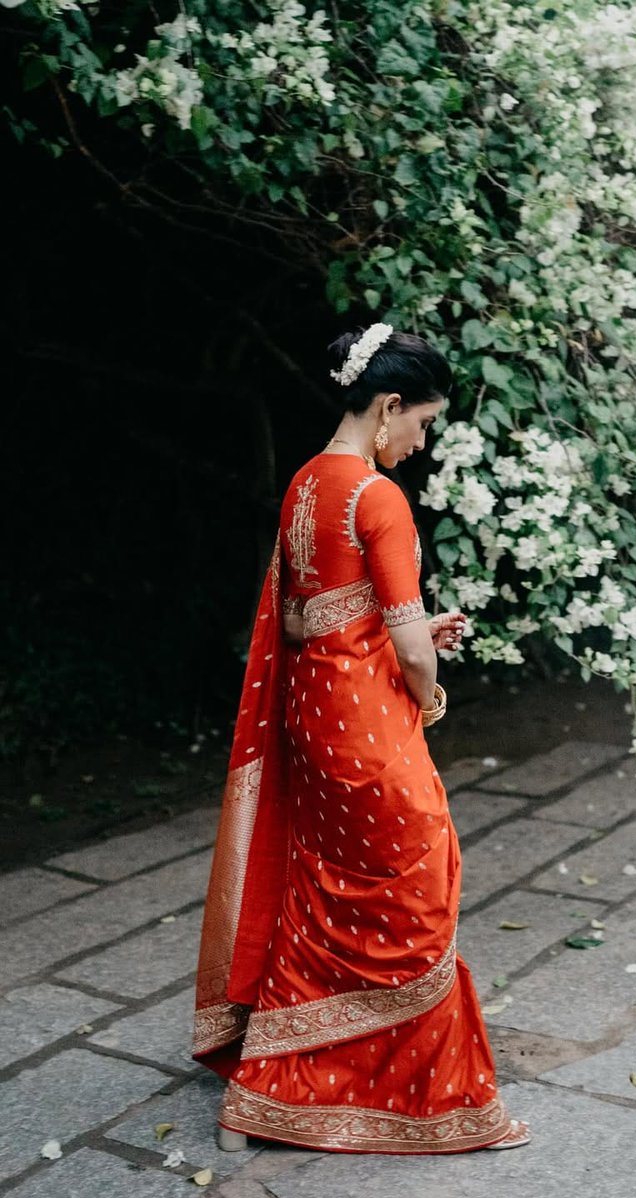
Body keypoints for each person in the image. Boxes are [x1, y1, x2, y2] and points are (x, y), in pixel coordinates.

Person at [192, 323, 530, 1153]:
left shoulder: (307, 482)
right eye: (421, 423)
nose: (421, 442)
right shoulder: (377, 497)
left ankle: (266, 1092)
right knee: (415, 891)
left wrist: (404, 629)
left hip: (315, 724)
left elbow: (314, 615)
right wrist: (429, 684)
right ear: (386, 406)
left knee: (324, 909)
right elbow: (409, 649)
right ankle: (435, 1100)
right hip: (371, 733)